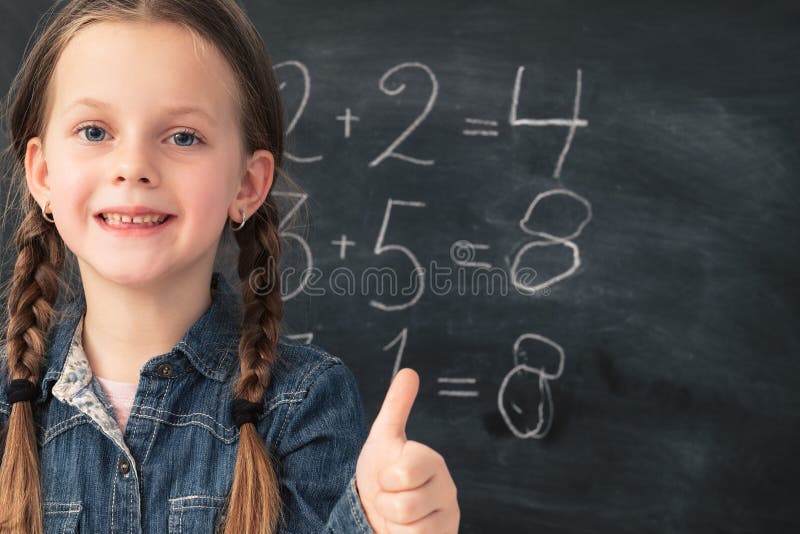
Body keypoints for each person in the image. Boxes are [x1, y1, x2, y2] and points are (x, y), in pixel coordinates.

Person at [0, 1, 460, 532]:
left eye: (183, 137)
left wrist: (380, 524)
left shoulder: (303, 403)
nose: (132, 167)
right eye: (95, 132)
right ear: (43, 174)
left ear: (246, 185)